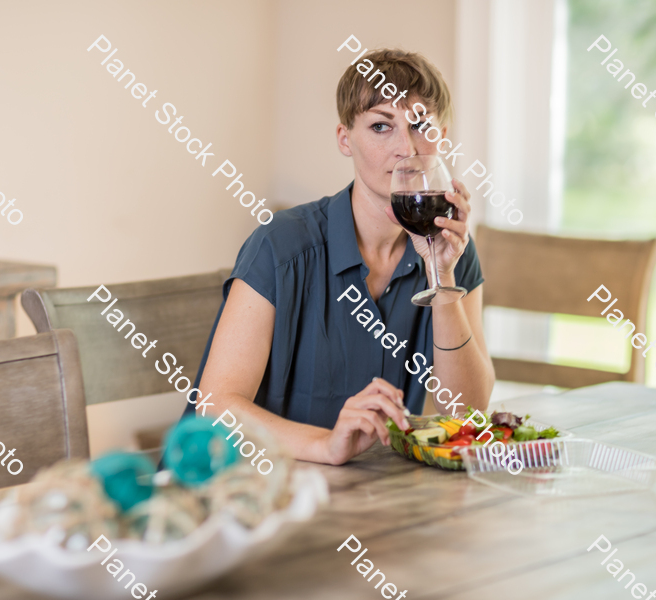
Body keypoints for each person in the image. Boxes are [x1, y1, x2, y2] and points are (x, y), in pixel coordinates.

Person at [183, 49, 495, 465]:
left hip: (369, 499)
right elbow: (216, 405)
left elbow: (467, 414)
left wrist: (442, 279)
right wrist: (324, 446)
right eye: (381, 126)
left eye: (420, 125)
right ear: (345, 139)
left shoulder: (452, 249)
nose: (405, 147)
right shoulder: (281, 246)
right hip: (250, 494)